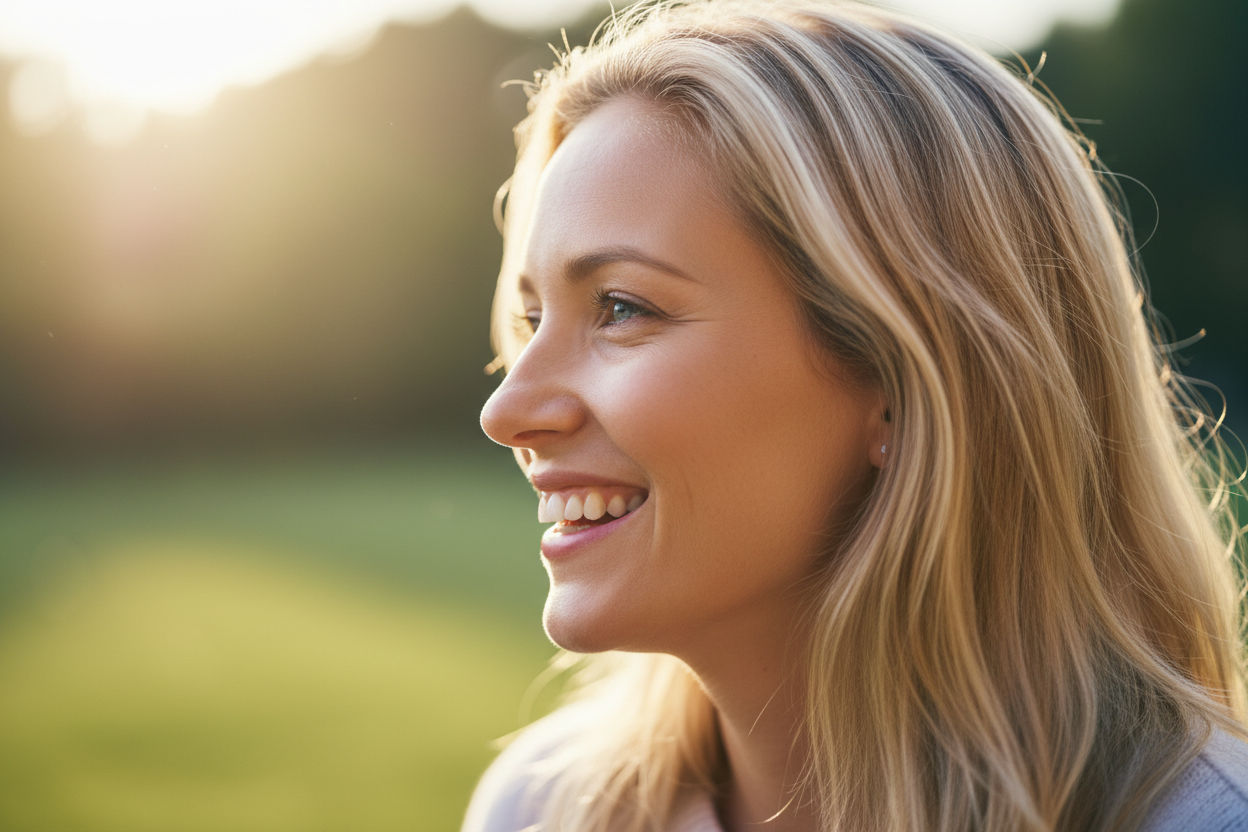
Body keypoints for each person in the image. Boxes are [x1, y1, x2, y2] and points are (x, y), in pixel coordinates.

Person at [466, 1, 1248, 830]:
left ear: (902, 378)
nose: (506, 410)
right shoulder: (542, 808)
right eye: (530, 322)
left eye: (621, 307)